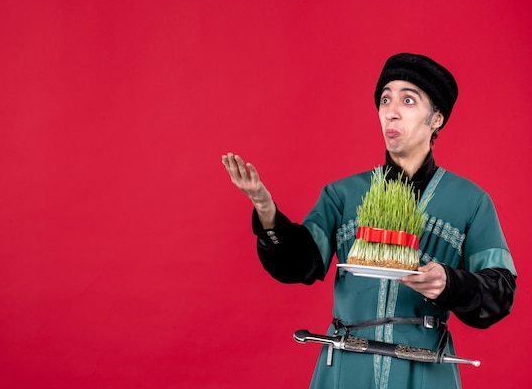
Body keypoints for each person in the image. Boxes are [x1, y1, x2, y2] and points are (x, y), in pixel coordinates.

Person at [221, 53, 517, 389]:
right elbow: (298, 265)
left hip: (424, 368)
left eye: (408, 100)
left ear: (436, 118)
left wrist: (448, 283)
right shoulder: (343, 195)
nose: (391, 111)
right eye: (385, 99)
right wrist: (265, 208)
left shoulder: (469, 200)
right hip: (347, 365)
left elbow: (500, 293)